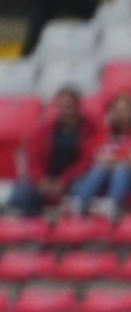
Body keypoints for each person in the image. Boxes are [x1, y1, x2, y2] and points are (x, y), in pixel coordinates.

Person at [6, 88, 96, 217]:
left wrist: (63, 181)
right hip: (46, 178)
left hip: (75, 179)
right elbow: (33, 158)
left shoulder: (89, 128)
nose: (67, 108)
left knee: (82, 190)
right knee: (23, 192)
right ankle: (32, 228)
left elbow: (87, 161)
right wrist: (41, 180)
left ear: (78, 105)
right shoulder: (44, 129)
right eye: (63, 105)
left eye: (70, 104)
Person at [66, 93, 131, 215]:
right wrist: (119, 160)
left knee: (121, 169)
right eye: (117, 110)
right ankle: (79, 205)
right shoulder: (106, 132)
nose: (121, 113)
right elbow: (99, 158)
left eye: (125, 110)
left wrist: (114, 161)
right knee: (99, 170)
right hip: (106, 175)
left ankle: (114, 207)